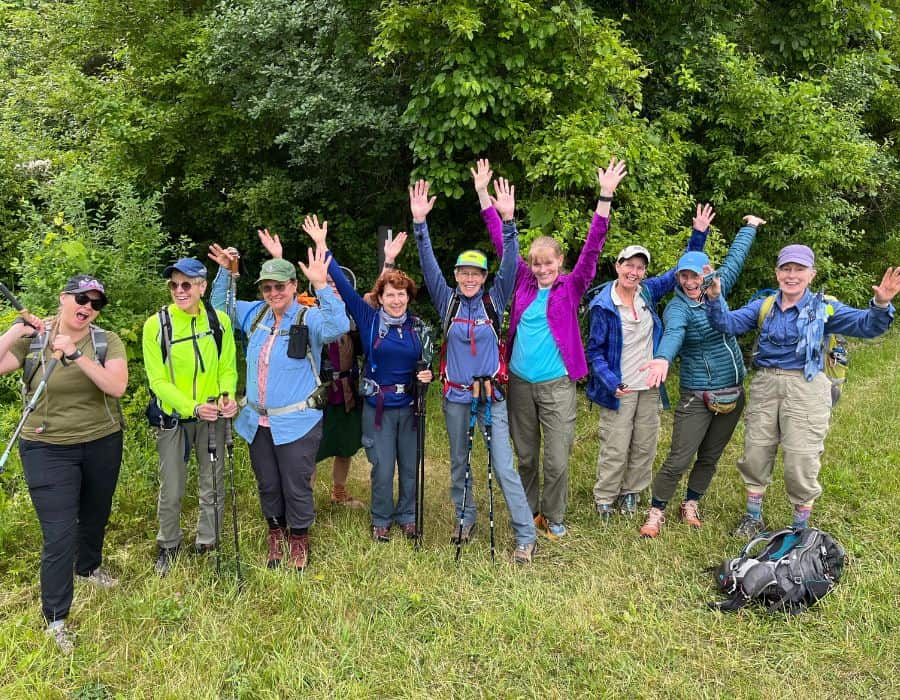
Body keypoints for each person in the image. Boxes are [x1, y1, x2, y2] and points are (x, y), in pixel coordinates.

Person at [474, 157, 627, 540]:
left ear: (560, 262)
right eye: (536, 264)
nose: (542, 269)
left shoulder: (571, 286)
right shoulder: (523, 282)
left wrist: (604, 196)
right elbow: (500, 243)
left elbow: (593, 248)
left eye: (548, 263)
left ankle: (554, 515)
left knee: (557, 460)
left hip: (558, 384)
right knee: (526, 458)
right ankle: (529, 514)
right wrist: (486, 198)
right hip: (521, 384)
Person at [703, 245, 899, 536]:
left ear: (811, 274)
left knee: (801, 458)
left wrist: (880, 304)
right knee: (756, 452)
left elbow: (866, 326)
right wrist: (715, 297)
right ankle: (753, 516)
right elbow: (726, 323)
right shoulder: (765, 305)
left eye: (799, 269)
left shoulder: (825, 306)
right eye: (786, 268)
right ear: (777, 272)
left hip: (807, 387)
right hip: (766, 384)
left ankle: (799, 528)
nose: (791, 275)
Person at [411, 178, 538, 563]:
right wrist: (420, 225)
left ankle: (525, 535)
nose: (469, 278)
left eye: (476, 274)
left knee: (503, 465)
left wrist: (509, 221)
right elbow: (427, 262)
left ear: (484, 279)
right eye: (463, 273)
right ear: (456, 276)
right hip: (456, 397)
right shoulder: (446, 301)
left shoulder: (494, 300)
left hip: (492, 398)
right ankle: (465, 518)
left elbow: (513, 264)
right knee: (459, 464)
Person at [0, 275, 128, 654]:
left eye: (96, 302)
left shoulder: (106, 341)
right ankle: (56, 618)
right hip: (46, 447)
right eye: (81, 298)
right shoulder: (33, 340)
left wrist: (76, 355)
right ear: (63, 298)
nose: (87, 306)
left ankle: (88, 568)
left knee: (94, 514)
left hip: (103, 441)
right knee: (58, 534)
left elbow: (116, 386)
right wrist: (14, 330)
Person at [208, 244, 349, 570]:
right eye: (267, 287)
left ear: (293, 287)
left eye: (280, 286)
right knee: (267, 482)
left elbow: (338, 327)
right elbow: (220, 308)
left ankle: (299, 538)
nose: (273, 293)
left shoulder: (308, 316)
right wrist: (226, 274)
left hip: (298, 420)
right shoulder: (255, 313)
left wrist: (322, 286)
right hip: (256, 421)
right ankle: (276, 533)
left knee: (295, 483)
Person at [257, 226, 413, 510]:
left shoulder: (355, 313)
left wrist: (389, 261)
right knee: (309, 449)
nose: (330, 287)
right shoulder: (308, 313)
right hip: (316, 392)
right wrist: (278, 258)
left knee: (345, 445)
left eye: (334, 283)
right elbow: (281, 296)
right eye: (325, 283)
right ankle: (303, 499)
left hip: (349, 390)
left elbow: (380, 294)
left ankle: (339, 493)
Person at [300, 216, 433, 541]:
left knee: (410, 466)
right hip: (378, 409)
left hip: (410, 408)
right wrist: (322, 245)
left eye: (402, 295)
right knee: (383, 468)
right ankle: (381, 518)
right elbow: (341, 285)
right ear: (381, 297)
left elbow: (427, 364)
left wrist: (426, 375)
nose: (397, 300)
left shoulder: (419, 328)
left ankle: (408, 515)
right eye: (391, 294)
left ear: (409, 298)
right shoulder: (368, 318)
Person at [637, 215, 764, 537]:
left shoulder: (718, 289)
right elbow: (674, 333)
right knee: (679, 457)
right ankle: (657, 510)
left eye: (695, 275)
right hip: (698, 395)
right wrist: (663, 358)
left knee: (709, 456)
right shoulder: (677, 308)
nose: (690, 282)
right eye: (684, 276)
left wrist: (748, 226)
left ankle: (691, 502)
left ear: (707, 273)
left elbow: (735, 259)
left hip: (733, 392)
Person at [586, 205, 711, 521]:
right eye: (629, 265)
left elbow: (679, 273)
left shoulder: (647, 292)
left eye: (640, 268)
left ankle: (631, 493)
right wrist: (611, 383)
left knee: (644, 444)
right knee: (615, 446)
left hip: (649, 386)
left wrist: (699, 234)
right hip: (620, 388)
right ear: (617, 266)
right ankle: (605, 497)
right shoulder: (604, 305)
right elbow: (595, 352)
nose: (634, 272)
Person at [142, 258, 239, 576]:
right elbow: (157, 382)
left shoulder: (219, 320)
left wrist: (227, 395)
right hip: (173, 419)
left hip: (212, 416)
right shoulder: (156, 325)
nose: (179, 290)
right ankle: (168, 545)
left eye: (186, 284)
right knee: (171, 488)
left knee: (213, 482)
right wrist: (191, 407)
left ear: (202, 286)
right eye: (174, 284)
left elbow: (227, 366)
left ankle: (207, 540)